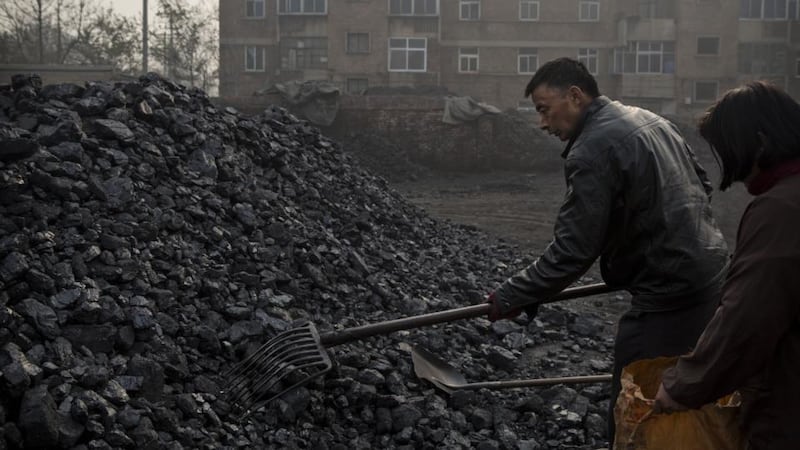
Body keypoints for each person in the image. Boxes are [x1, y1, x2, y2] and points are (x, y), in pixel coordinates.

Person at [485, 57, 730, 443]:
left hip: (670, 293)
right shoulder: (649, 119)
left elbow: (572, 250)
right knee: (694, 384)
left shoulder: (591, 151)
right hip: (712, 272)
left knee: (636, 398)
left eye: (544, 110)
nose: (543, 124)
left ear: (575, 96)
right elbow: (702, 185)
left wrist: (512, 294)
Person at [653, 81, 800, 449]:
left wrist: (685, 385)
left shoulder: (781, 209)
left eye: (729, 150)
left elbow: (749, 313)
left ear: (762, 143)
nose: (729, 165)